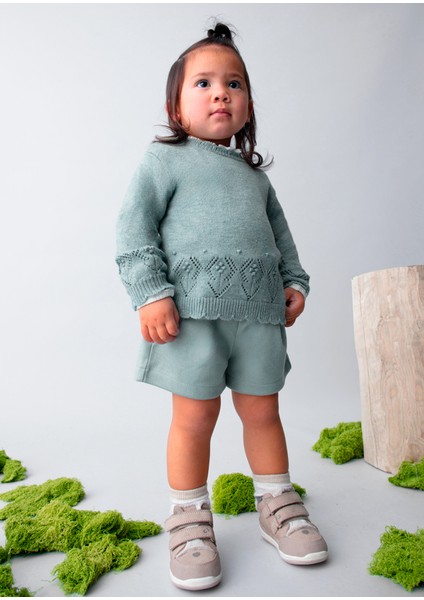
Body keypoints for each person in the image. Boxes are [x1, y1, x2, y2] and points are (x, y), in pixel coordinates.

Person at [116, 23, 328, 592]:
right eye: (204, 83)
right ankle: (188, 517)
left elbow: (282, 239)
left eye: (234, 84)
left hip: (259, 316)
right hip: (191, 318)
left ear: (248, 106)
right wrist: (151, 292)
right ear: (175, 107)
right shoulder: (164, 161)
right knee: (194, 419)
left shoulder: (255, 178)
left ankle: (277, 502)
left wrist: (295, 282)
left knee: (264, 413)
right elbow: (133, 229)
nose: (221, 93)